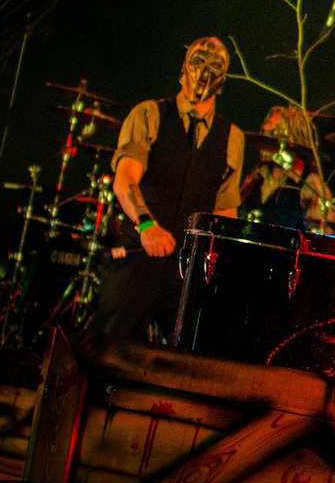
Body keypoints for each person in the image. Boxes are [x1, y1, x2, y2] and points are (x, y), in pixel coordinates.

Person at [90, 37, 245, 340]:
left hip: (188, 273)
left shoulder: (233, 137)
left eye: (215, 65)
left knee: (188, 356)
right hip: (138, 260)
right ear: (183, 69)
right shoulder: (149, 114)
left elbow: (225, 209)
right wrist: (147, 226)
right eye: (198, 61)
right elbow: (125, 180)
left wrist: (220, 263)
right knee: (109, 348)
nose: (205, 72)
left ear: (223, 80)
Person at [240, 106, 335, 232]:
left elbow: (324, 231)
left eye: (280, 135)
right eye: (271, 134)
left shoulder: (311, 183)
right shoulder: (259, 175)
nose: (274, 140)